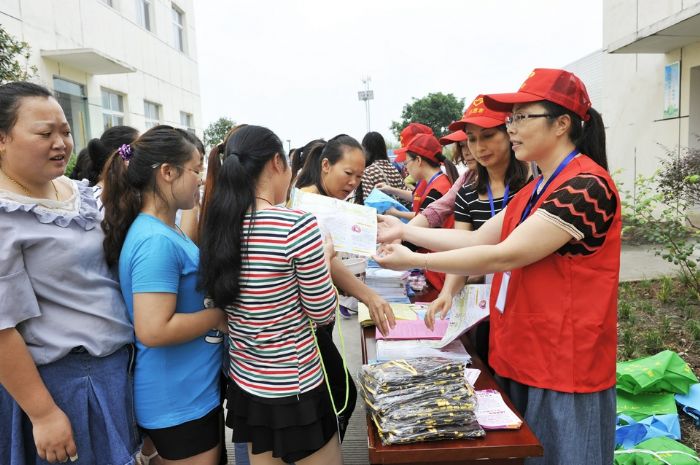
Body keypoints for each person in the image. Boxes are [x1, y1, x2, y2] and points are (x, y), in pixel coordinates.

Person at [374, 68, 619, 465]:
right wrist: (402, 233)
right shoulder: (537, 189)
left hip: (563, 366)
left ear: (561, 124)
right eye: (512, 119)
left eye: (522, 117)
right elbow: (474, 239)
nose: (513, 128)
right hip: (523, 355)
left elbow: (505, 253)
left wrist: (415, 257)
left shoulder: (585, 187)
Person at [0, 81, 138, 464]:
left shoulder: (76, 192)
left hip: (112, 370)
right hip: (61, 383)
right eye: (45, 133)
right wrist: (42, 413)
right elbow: (2, 329)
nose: (60, 142)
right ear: (2, 139)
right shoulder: (5, 215)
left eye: (64, 130)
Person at [198, 125, 343, 465]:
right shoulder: (297, 225)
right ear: (277, 163)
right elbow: (323, 313)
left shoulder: (220, 227)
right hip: (297, 387)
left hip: (249, 387)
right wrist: (324, 259)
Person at [101, 125, 227, 464]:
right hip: (179, 400)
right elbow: (153, 329)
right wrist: (218, 316)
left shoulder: (164, 229)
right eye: (196, 170)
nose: (201, 179)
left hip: (189, 393)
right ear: (167, 172)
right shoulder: (155, 241)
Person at [430, 95, 531, 365]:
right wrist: (447, 293)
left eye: (488, 136)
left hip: (526, 301)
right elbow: (461, 247)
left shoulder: (531, 187)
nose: (478, 147)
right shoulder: (468, 191)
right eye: (472, 140)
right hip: (483, 306)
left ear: (509, 134)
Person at [357, 131, 406, 203]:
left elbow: (369, 203)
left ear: (366, 149)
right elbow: (405, 197)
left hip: (380, 213)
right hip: (399, 213)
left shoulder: (368, 172)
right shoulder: (393, 169)